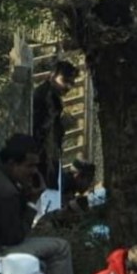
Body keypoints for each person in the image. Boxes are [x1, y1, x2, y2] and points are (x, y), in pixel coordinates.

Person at [0, 134, 76, 274]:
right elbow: (14, 238)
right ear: (12, 163)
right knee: (61, 248)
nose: (34, 171)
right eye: (30, 166)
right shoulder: (7, 192)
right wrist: (32, 202)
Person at [32, 60, 79, 189]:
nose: (68, 87)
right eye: (65, 81)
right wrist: (62, 125)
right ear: (53, 75)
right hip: (42, 158)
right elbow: (42, 129)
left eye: (71, 83)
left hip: (47, 157)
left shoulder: (52, 95)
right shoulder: (47, 96)